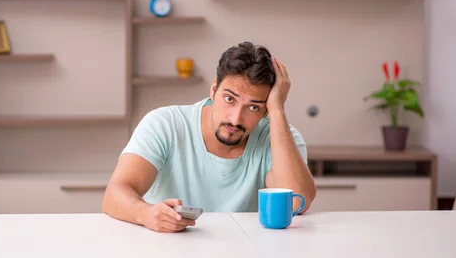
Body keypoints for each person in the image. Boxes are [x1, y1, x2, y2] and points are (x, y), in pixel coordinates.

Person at [102, 42, 316, 232]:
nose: (235, 118)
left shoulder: (280, 137)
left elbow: (298, 202)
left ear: (266, 110)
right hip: (168, 254)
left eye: (253, 107)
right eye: (229, 99)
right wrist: (146, 214)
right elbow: (115, 193)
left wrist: (278, 110)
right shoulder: (164, 124)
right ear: (213, 89)